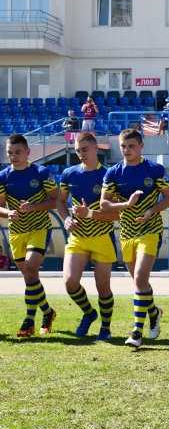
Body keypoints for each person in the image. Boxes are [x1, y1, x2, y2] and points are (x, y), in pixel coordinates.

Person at [100, 129, 169, 349]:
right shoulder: (113, 173)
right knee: (139, 282)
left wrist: (151, 211)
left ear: (141, 146)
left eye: (131, 146)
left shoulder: (155, 169)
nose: (127, 150)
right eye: (123, 146)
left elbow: (168, 199)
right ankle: (154, 312)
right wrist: (126, 204)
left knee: (140, 278)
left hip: (150, 230)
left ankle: (137, 332)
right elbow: (104, 204)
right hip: (127, 233)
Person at [56, 132, 119, 340]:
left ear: (95, 148)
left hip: (102, 237)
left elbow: (117, 214)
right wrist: (66, 218)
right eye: (77, 150)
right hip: (78, 237)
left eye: (84, 149)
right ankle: (89, 313)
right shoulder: (69, 174)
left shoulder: (109, 175)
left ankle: (105, 328)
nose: (81, 154)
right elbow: (60, 201)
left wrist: (90, 213)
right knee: (70, 282)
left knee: (103, 287)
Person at [0, 134, 59, 337]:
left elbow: (55, 201)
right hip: (16, 232)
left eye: (18, 152)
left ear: (27, 152)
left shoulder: (41, 173)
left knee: (31, 268)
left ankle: (28, 320)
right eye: (10, 153)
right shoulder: (3, 177)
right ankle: (48, 312)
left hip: (39, 228)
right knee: (29, 276)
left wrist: (33, 206)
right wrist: (9, 212)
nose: (13, 156)